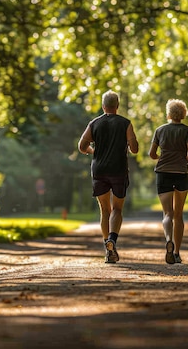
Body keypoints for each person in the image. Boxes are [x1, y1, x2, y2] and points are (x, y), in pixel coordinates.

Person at [78, 90, 139, 263]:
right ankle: (113, 238)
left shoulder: (94, 123)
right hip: (118, 170)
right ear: (117, 106)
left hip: (99, 170)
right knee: (117, 209)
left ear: (103, 106)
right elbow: (134, 149)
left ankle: (108, 248)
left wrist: (93, 150)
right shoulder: (125, 123)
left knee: (105, 210)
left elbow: (82, 146)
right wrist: (130, 141)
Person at [148, 99, 188, 264]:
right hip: (181, 173)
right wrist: (186, 158)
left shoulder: (160, 130)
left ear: (168, 113)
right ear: (183, 114)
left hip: (163, 173)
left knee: (167, 213)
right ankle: (176, 252)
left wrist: (163, 157)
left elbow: (152, 154)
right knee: (178, 214)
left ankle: (168, 239)